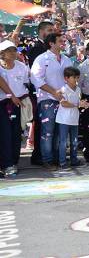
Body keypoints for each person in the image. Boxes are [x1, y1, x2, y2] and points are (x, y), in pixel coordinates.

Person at [30, 33, 74, 170]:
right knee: (47, 131)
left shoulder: (67, 59)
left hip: (63, 101)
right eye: (60, 41)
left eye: (63, 41)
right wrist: (53, 92)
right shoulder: (42, 59)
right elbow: (35, 78)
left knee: (60, 132)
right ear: (51, 43)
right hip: (47, 100)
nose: (63, 43)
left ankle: (57, 158)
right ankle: (47, 160)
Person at [27, 20, 54, 166]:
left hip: (52, 91)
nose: (52, 33)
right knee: (40, 124)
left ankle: (47, 153)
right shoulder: (36, 48)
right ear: (41, 31)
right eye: (49, 30)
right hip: (40, 92)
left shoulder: (49, 47)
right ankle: (38, 154)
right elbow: (36, 73)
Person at [0, 40, 27, 177]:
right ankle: (6, 165)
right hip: (2, 104)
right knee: (5, 134)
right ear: (2, 54)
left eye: (14, 50)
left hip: (17, 104)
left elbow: (27, 83)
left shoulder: (22, 66)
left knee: (16, 134)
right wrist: (11, 96)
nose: (13, 52)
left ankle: (13, 162)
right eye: (10, 50)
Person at [56, 67, 88, 169]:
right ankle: (62, 162)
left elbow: (78, 102)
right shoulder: (63, 89)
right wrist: (78, 105)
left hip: (74, 119)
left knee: (74, 141)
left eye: (77, 77)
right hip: (64, 120)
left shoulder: (78, 89)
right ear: (66, 78)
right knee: (63, 141)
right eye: (74, 77)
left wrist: (83, 104)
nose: (76, 79)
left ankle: (74, 160)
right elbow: (63, 103)